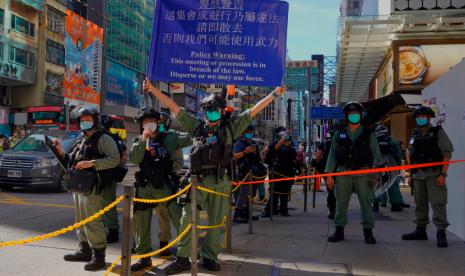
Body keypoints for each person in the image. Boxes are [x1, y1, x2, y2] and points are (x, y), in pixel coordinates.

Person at [144, 79, 285, 274]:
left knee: (216, 221)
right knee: (187, 218)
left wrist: (275, 94)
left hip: (220, 182)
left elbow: (253, 111)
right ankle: (184, 257)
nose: (210, 114)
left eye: (214, 111)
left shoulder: (230, 128)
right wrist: (152, 89)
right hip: (198, 181)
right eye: (207, 111)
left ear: (220, 111)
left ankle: (210, 257)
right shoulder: (196, 126)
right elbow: (173, 106)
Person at [57, 105, 120, 271]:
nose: (84, 122)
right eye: (82, 120)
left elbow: (114, 159)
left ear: (95, 120)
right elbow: (71, 160)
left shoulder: (103, 138)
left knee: (92, 221)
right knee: (80, 219)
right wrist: (58, 150)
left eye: (88, 119)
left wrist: (92, 163)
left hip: (93, 186)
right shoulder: (81, 138)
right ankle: (84, 249)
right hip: (79, 185)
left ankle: (99, 256)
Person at [129, 107, 191, 271]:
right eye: (145, 122)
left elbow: (191, 137)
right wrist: (143, 141)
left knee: (180, 219)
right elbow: (135, 158)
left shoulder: (170, 138)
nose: (148, 125)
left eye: (151, 121)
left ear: (158, 122)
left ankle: (185, 254)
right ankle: (144, 258)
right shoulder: (138, 141)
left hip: (166, 187)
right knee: (141, 222)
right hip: (144, 188)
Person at [325, 102, 382, 244]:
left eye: (356, 113)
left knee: (366, 203)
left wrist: (376, 176)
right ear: (346, 116)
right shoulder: (339, 134)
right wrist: (329, 175)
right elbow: (332, 155)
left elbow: (377, 156)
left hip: (363, 174)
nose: (354, 116)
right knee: (341, 204)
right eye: (351, 114)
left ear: (361, 115)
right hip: (343, 173)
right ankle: (339, 231)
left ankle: (368, 232)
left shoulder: (369, 134)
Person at [402, 106, 454, 248]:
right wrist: (411, 173)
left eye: (423, 116)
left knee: (438, 202)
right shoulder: (414, 134)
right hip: (418, 175)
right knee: (420, 202)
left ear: (429, 118)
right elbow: (410, 154)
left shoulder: (437, 132)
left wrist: (443, 174)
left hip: (434, 174)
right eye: (418, 117)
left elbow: (447, 153)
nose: (420, 119)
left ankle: (441, 233)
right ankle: (420, 230)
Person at [99, 115, 127, 243]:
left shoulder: (107, 139)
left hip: (107, 175)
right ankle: (109, 228)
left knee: (107, 202)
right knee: (106, 202)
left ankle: (113, 229)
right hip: (108, 175)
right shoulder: (115, 138)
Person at [262, 127, 301, 217]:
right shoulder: (274, 145)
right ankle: (270, 210)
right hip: (276, 173)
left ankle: (283, 209)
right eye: (283, 134)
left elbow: (294, 161)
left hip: (287, 173)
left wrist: (299, 171)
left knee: (284, 193)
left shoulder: (291, 149)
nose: (288, 142)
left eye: (289, 140)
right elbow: (276, 148)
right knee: (274, 193)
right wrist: (284, 137)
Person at [372, 124, 409, 213]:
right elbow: (398, 155)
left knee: (376, 184)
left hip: (377, 165)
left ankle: (375, 205)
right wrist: (399, 166)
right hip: (391, 165)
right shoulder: (392, 141)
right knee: (392, 184)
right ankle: (395, 205)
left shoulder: (374, 141)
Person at [232, 125, 264, 223]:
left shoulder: (253, 143)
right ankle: (238, 214)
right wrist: (245, 152)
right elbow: (234, 157)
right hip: (244, 172)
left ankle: (247, 213)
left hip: (254, 172)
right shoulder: (239, 143)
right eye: (248, 131)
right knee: (243, 193)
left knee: (252, 193)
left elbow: (259, 158)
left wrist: (259, 153)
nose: (250, 133)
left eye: (251, 131)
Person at [312, 133, 335, 219]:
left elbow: (318, 156)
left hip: (328, 169)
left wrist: (319, 164)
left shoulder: (324, 142)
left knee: (331, 190)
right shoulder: (343, 139)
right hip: (341, 169)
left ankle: (332, 211)